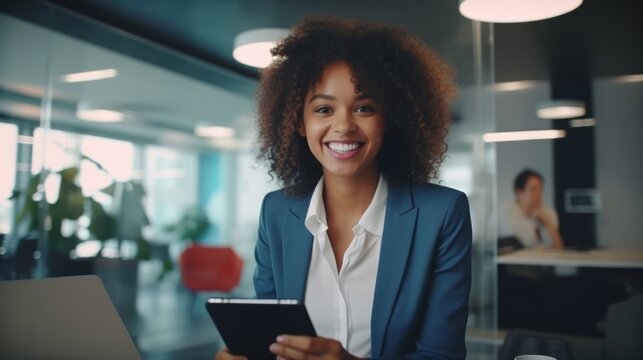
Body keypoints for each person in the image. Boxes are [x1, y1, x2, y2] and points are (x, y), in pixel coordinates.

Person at [217, 16, 472, 359]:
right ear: (299, 123)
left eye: (364, 108)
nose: (344, 125)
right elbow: (273, 339)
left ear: (389, 119)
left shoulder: (441, 215)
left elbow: (443, 356)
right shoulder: (277, 212)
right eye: (324, 108)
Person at [499, 169, 564, 250]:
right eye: (533, 189)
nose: (538, 194)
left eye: (540, 188)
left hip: (546, 261)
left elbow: (560, 249)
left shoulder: (549, 212)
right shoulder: (507, 210)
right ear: (519, 192)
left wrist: (548, 223)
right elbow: (517, 243)